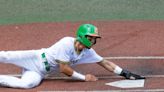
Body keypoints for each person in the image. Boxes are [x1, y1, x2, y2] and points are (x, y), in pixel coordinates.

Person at [0, 24, 145, 89]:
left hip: (39, 72)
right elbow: (64, 69)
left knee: (27, 85)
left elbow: (105, 63)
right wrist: (84, 78)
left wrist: (125, 73)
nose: (94, 40)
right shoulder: (66, 43)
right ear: (83, 36)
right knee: (5, 56)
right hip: (35, 58)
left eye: (95, 38)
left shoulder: (88, 52)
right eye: (92, 37)